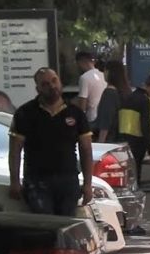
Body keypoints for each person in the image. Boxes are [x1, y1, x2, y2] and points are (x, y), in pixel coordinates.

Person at [8, 68, 93, 216]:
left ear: (60, 81)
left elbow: (86, 150)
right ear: (38, 89)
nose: (52, 86)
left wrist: (87, 184)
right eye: (45, 84)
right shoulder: (25, 113)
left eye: (54, 81)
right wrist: (14, 181)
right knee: (45, 225)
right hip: (37, 181)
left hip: (68, 180)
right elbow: (15, 150)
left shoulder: (75, 113)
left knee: (66, 226)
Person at [95, 60, 130, 144]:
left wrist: (100, 143)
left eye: (105, 70)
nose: (103, 73)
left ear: (110, 72)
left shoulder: (109, 93)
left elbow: (105, 122)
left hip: (110, 141)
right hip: (124, 139)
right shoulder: (126, 91)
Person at [74, 51, 107, 125]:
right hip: (102, 116)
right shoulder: (102, 75)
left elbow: (83, 104)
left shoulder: (84, 78)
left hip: (91, 118)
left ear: (81, 62)